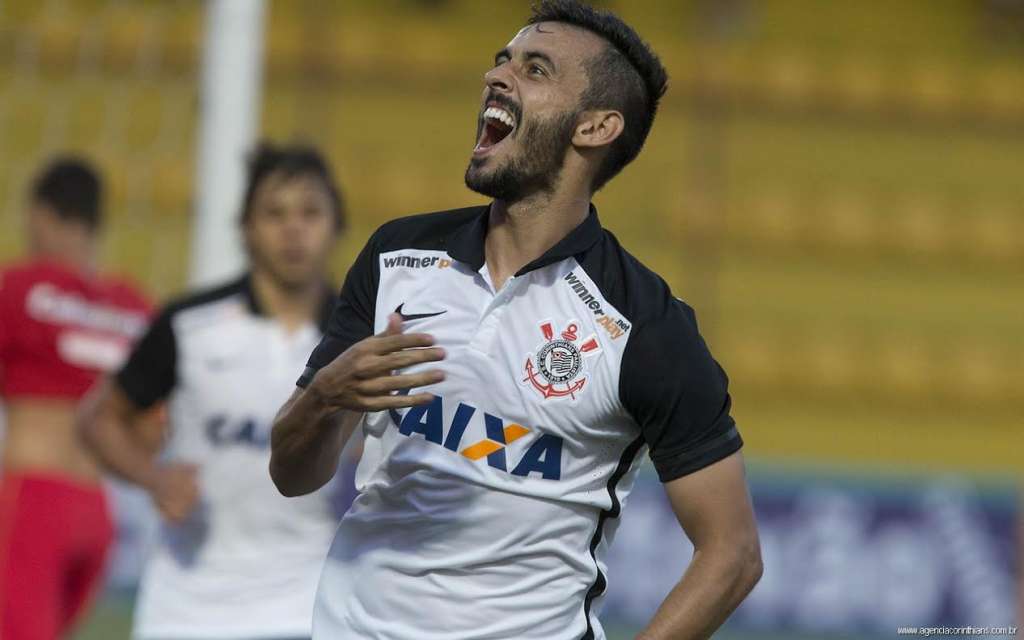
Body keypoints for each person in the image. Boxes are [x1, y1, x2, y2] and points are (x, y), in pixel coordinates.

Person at [270, 1, 763, 638]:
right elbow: (292, 474)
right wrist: (325, 397)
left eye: (535, 70)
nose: (497, 77)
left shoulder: (644, 326)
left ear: (595, 127)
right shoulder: (398, 256)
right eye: (502, 61)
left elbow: (733, 554)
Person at [78, 143, 347, 640]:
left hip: (309, 608)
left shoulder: (359, 344)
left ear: (336, 225)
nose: (293, 228)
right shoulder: (189, 325)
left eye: (310, 212)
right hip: (187, 611)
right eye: (274, 213)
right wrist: (152, 479)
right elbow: (98, 417)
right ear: (245, 226)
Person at [0, 157, 152, 640]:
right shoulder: (132, 307)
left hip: (32, 501)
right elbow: (154, 424)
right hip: (97, 512)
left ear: (43, 215)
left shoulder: (19, 289)